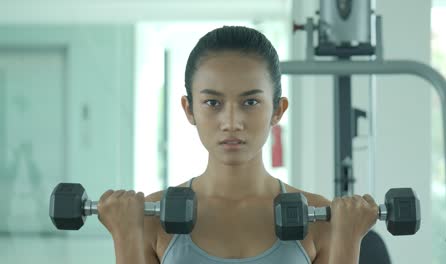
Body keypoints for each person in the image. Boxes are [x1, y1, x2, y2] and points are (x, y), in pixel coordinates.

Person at [97, 26, 379, 264]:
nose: (231, 122)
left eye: (250, 102)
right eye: (213, 103)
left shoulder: (320, 217)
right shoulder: (148, 217)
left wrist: (347, 238)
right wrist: (125, 236)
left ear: (278, 110)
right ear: (189, 109)